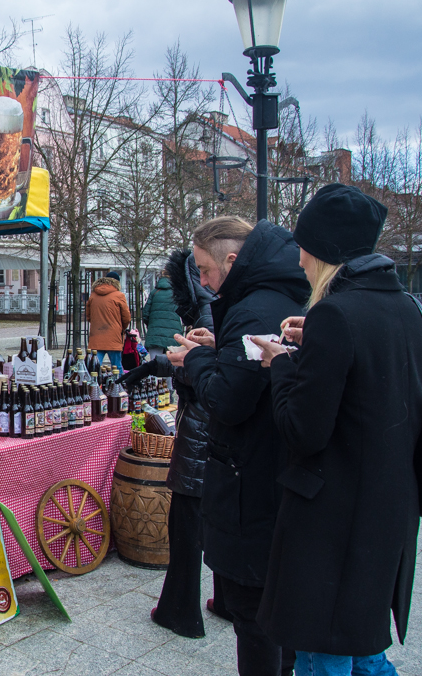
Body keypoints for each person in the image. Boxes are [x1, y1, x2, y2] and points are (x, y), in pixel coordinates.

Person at [249, 184, 422, 676]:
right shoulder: (407, 308)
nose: (300, 260)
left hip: (333, 521)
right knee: (365, 647)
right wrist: (317, 346)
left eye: (304, 247)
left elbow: (303, 431)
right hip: (386, 509)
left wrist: (282, 364)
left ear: (324, 250)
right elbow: (376, 381)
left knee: (322, 650)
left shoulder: (334, 313)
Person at [167, 216, 309, 676]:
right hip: (275, 478)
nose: (203, 281)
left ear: (231, 260)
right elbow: (247, 375)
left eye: (205, 270)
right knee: (273, 618)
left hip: (251, 484)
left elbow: (229, 401)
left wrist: (195, 360)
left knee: (256, 624)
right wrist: (217, 350)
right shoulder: (279, 297)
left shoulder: (250, 309)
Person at [118, 249, 220, 638]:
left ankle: (180, 612)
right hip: (207, 430)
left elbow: (204, 370)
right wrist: (155, 365)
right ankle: (221, 600)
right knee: (205, 522)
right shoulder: (208, 310)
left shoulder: (205, 313)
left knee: (187, 524)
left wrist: (167, 365)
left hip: (201, 432)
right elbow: (189, 360)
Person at [86, 271, 131, 372]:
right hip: (114, 336)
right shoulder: (119, 295)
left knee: (94, 367)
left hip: (96, 336)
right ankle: (117, 386)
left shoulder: (93, 295)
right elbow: (126, 317)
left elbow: (88, 316)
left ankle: (94, 386)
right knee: (117, 367)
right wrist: (120, 327)